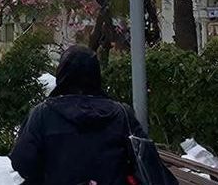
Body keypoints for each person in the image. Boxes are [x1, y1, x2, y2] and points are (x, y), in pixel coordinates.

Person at [10, 45, 177, 185]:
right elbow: (147, 161)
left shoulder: (43, 114)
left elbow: (23, 162)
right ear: (96, 74)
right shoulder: (121, 114)